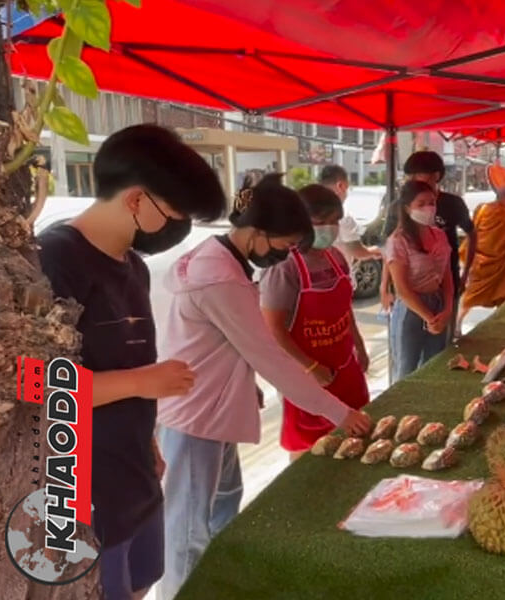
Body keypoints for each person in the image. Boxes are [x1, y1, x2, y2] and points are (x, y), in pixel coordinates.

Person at [154, 175, 372, 599]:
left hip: (217, 405)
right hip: (195, 416)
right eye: (284, 245)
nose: (287, 254)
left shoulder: (226, 259)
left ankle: (214, 585)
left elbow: (227, 343)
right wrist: (341, 414)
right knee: (185, 532)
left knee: (224, 501)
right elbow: (270, 356)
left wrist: (242, 383)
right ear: (256, 233)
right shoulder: (218, 277)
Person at [36, 124, 225, 600]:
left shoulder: (133, 265)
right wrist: (145, 381)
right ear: (137, 200)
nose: (177, 230)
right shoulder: (54, 257)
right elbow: (36, 383)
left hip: (135, 470)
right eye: (175, 215)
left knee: (141, 583)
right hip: (82, 486)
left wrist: (148, 438)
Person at [260, 184, 371, 461]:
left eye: (334, 221)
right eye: (321, 222)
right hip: (307, 375)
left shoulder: (335, 257)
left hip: (345, 366)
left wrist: (359, 346)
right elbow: (273, 330)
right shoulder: (284, 266)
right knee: (310, 451)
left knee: (356, 438)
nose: (329, 229)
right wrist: (310, 367)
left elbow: (345, 309)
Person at [381, 151, 475, 339]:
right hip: (407, 291)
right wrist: (384, 287)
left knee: (441, 339)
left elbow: (472, 235)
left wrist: (465, 275)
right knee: (406, 350)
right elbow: (389, 249)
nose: (412, 179)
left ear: (436, 176)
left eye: (417, 174)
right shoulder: (399, 206)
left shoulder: (453, 203)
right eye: (410, 175)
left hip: (445, 285)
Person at [385, 180, 454, 382]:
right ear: (407, 208)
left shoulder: (440, 236)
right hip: (411, 309)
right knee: (406, 370)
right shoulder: (398, 241)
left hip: (438, 304)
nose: (429, 208)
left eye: (432, 202)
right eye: (421, 203)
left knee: (433, 366)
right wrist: (428, 317)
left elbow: (447, 278)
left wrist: (447, 309)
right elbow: (402, 289)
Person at [458, 184, 505, 324]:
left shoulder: (500, 211)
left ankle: (504, 322)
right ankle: (458, 323)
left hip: (502, 259)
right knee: (472, 294)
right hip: (484, 259)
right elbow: (477, 232)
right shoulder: (487, 209)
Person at [319, 164, 381, 263]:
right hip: (339, 274)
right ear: (341, 186)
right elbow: (357, 251)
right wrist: (376, 251)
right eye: (348, 188)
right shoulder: (342, 217)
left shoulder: (310, 211)